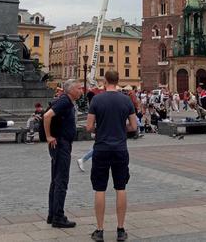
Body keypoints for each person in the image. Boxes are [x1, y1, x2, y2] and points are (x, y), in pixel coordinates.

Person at [86, 70, 138, 242]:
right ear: (118, 81)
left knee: (100, 189)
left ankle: (100, 230)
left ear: (105, 80)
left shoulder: (97, 99)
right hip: (120, 148)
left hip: (101, 148)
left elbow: (88, 127)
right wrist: (120, 129)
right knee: (120, 187)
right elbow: (133, 126)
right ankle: (121, 230)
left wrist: (100, 130)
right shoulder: (126, 100)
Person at [43, 79, 82, 229]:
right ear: (71, 90)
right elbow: (47, 116)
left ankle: (52, 214)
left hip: (60, 144)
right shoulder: (65, 101)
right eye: (78, 88)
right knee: (61, 181)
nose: (81, 90)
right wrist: (48, 136)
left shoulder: (66, 101)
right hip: (61, 144)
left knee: (56, 180)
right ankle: (58, 216)